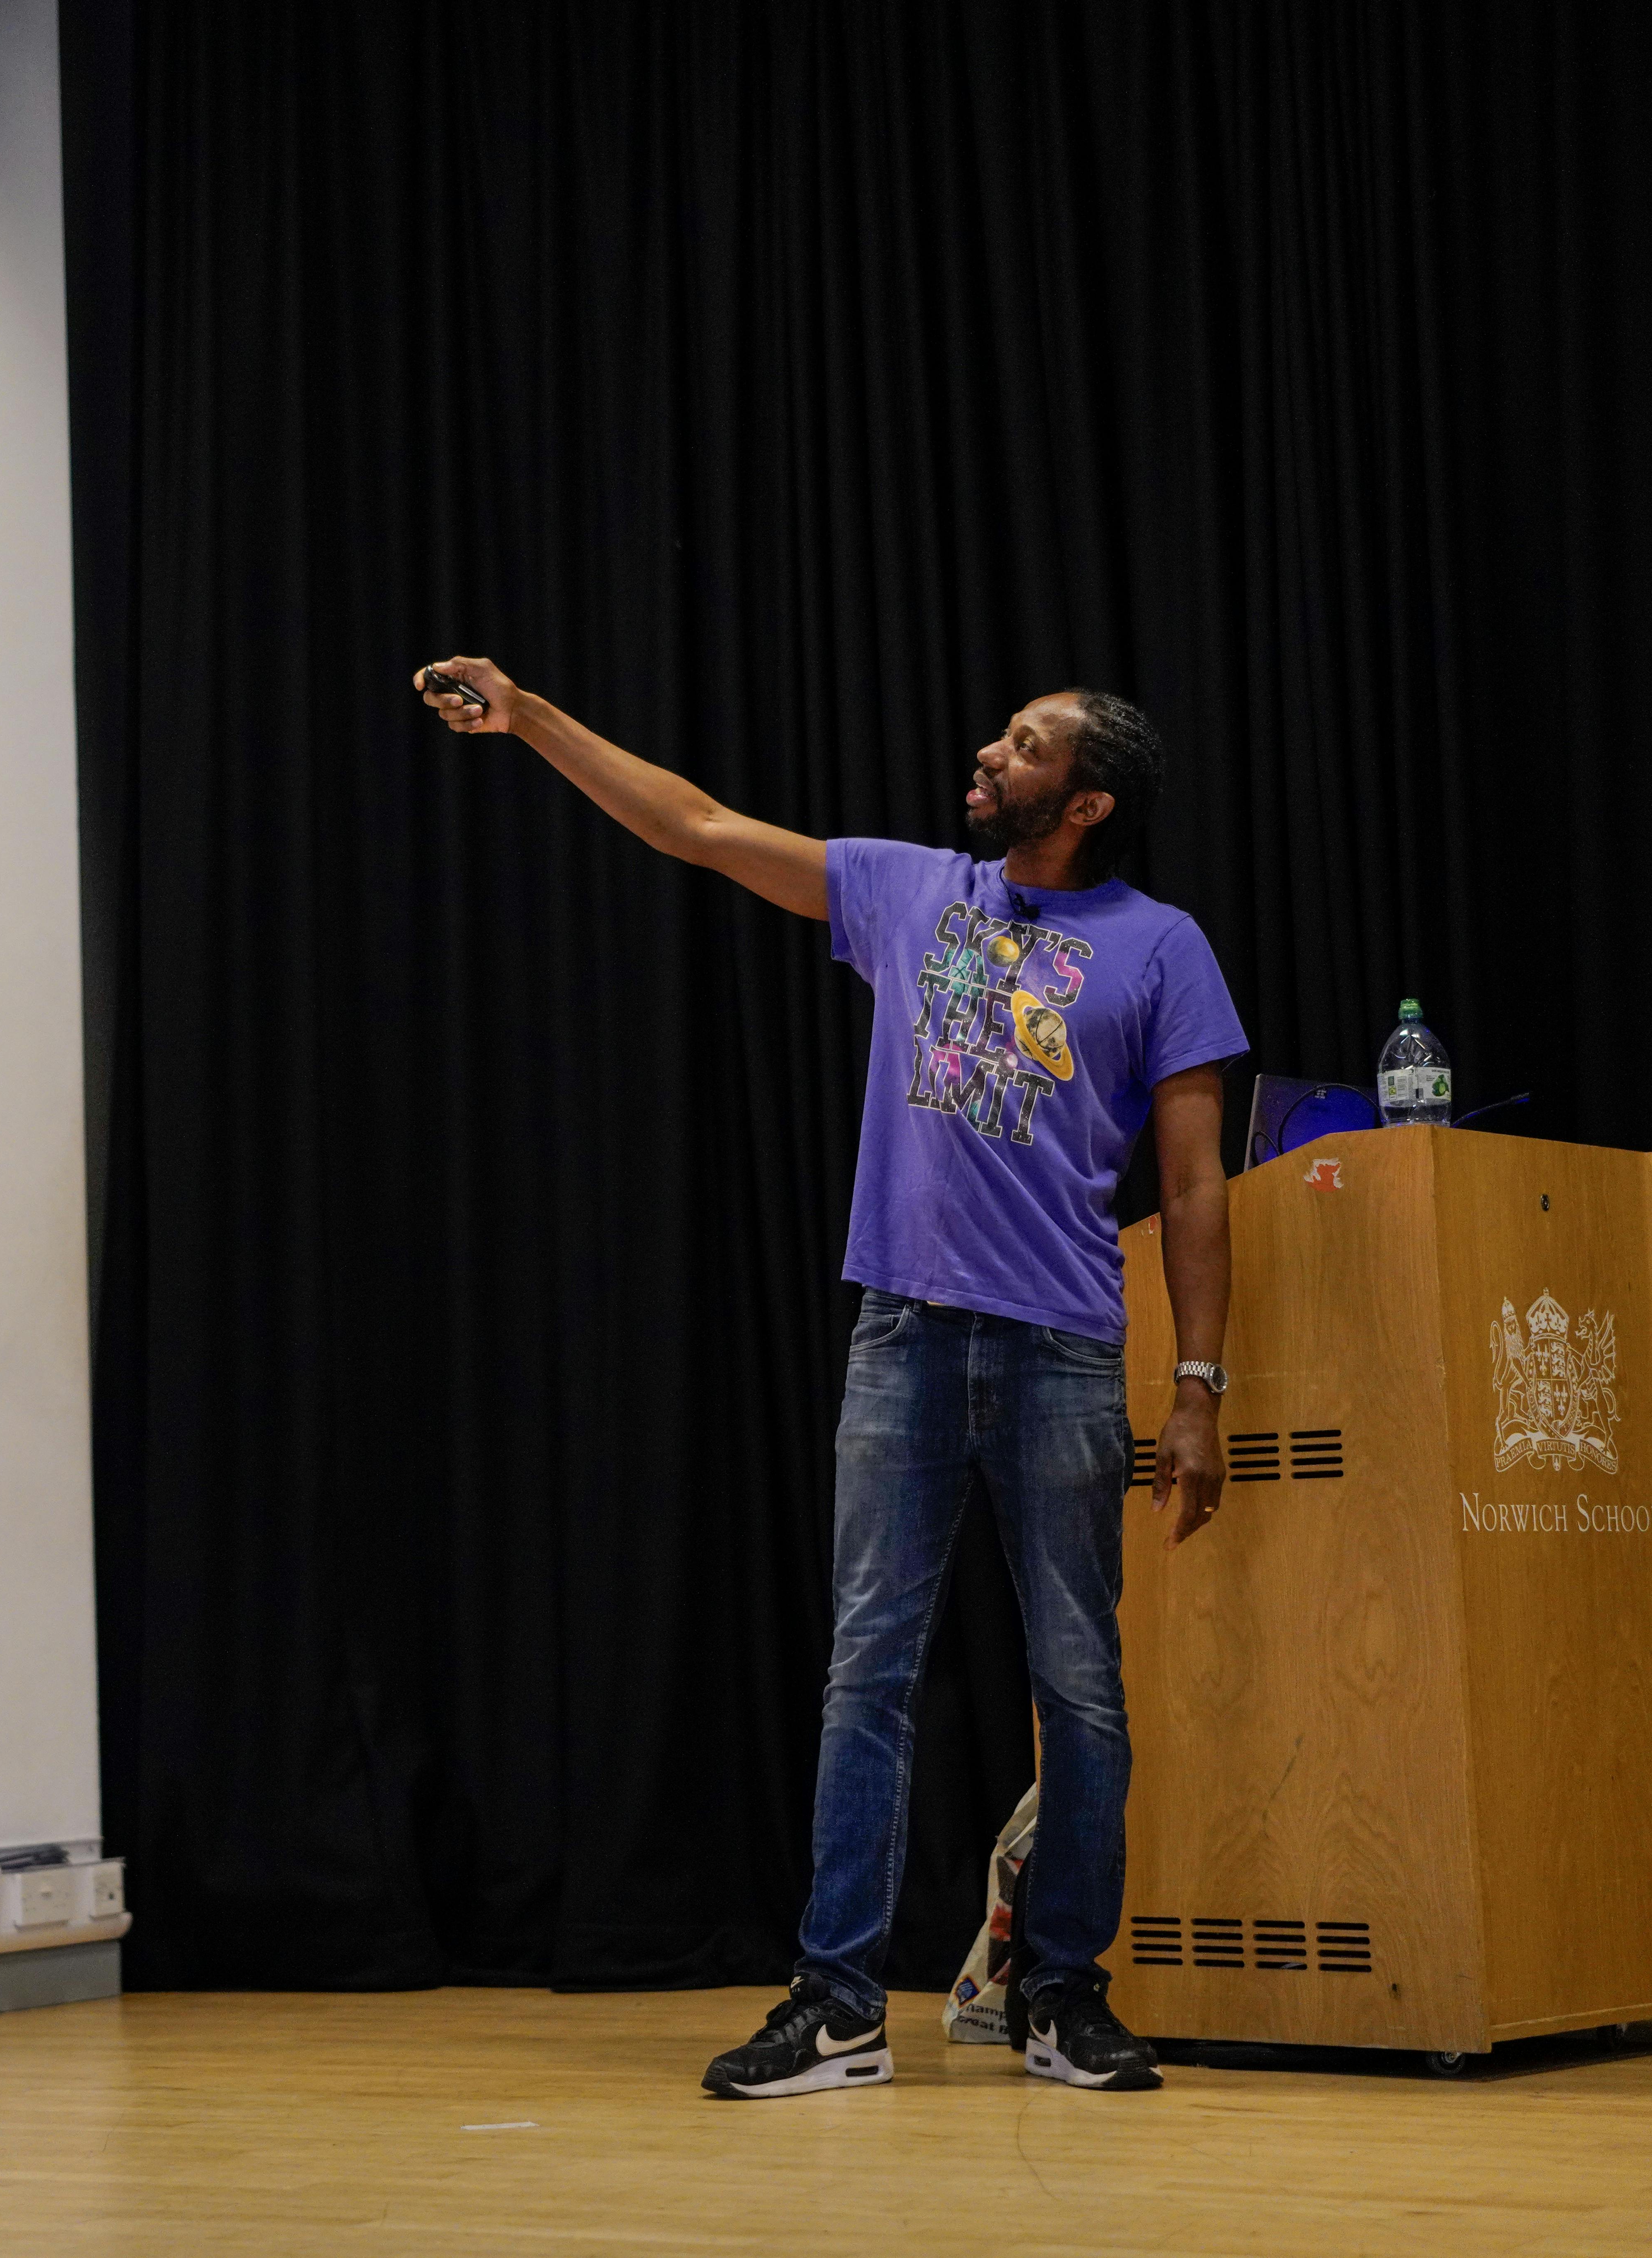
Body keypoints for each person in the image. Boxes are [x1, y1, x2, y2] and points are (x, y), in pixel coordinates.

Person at [416, 659, 1243, 2097]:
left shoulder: (1163, 946)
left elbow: (1193, 1185)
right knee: (866, 1672)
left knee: (1083, 1690)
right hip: (903, 1339)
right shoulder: (910, 889)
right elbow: (696, 825)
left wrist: (1199, 1388)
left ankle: (1062, 1995)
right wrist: (534, 715)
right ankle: (840, 2000)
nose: (989, 751)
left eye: (1026, 745)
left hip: (1057, 1350)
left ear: (1087, 800)